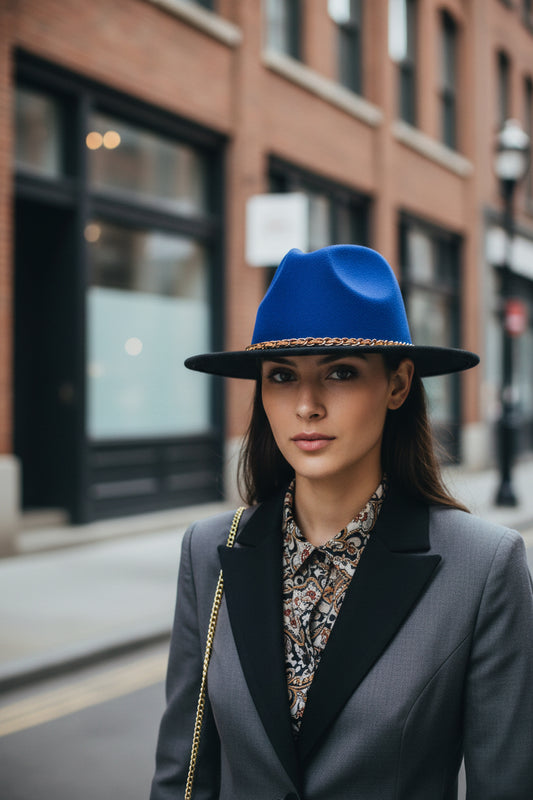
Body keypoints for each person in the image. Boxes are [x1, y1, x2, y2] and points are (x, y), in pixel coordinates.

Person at [150, 245, 533, 800]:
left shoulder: (484, 567)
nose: (306, 405)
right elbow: (180, 775)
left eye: (341, 373)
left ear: (398, 385)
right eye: (282, 376)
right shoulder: (209, 551)